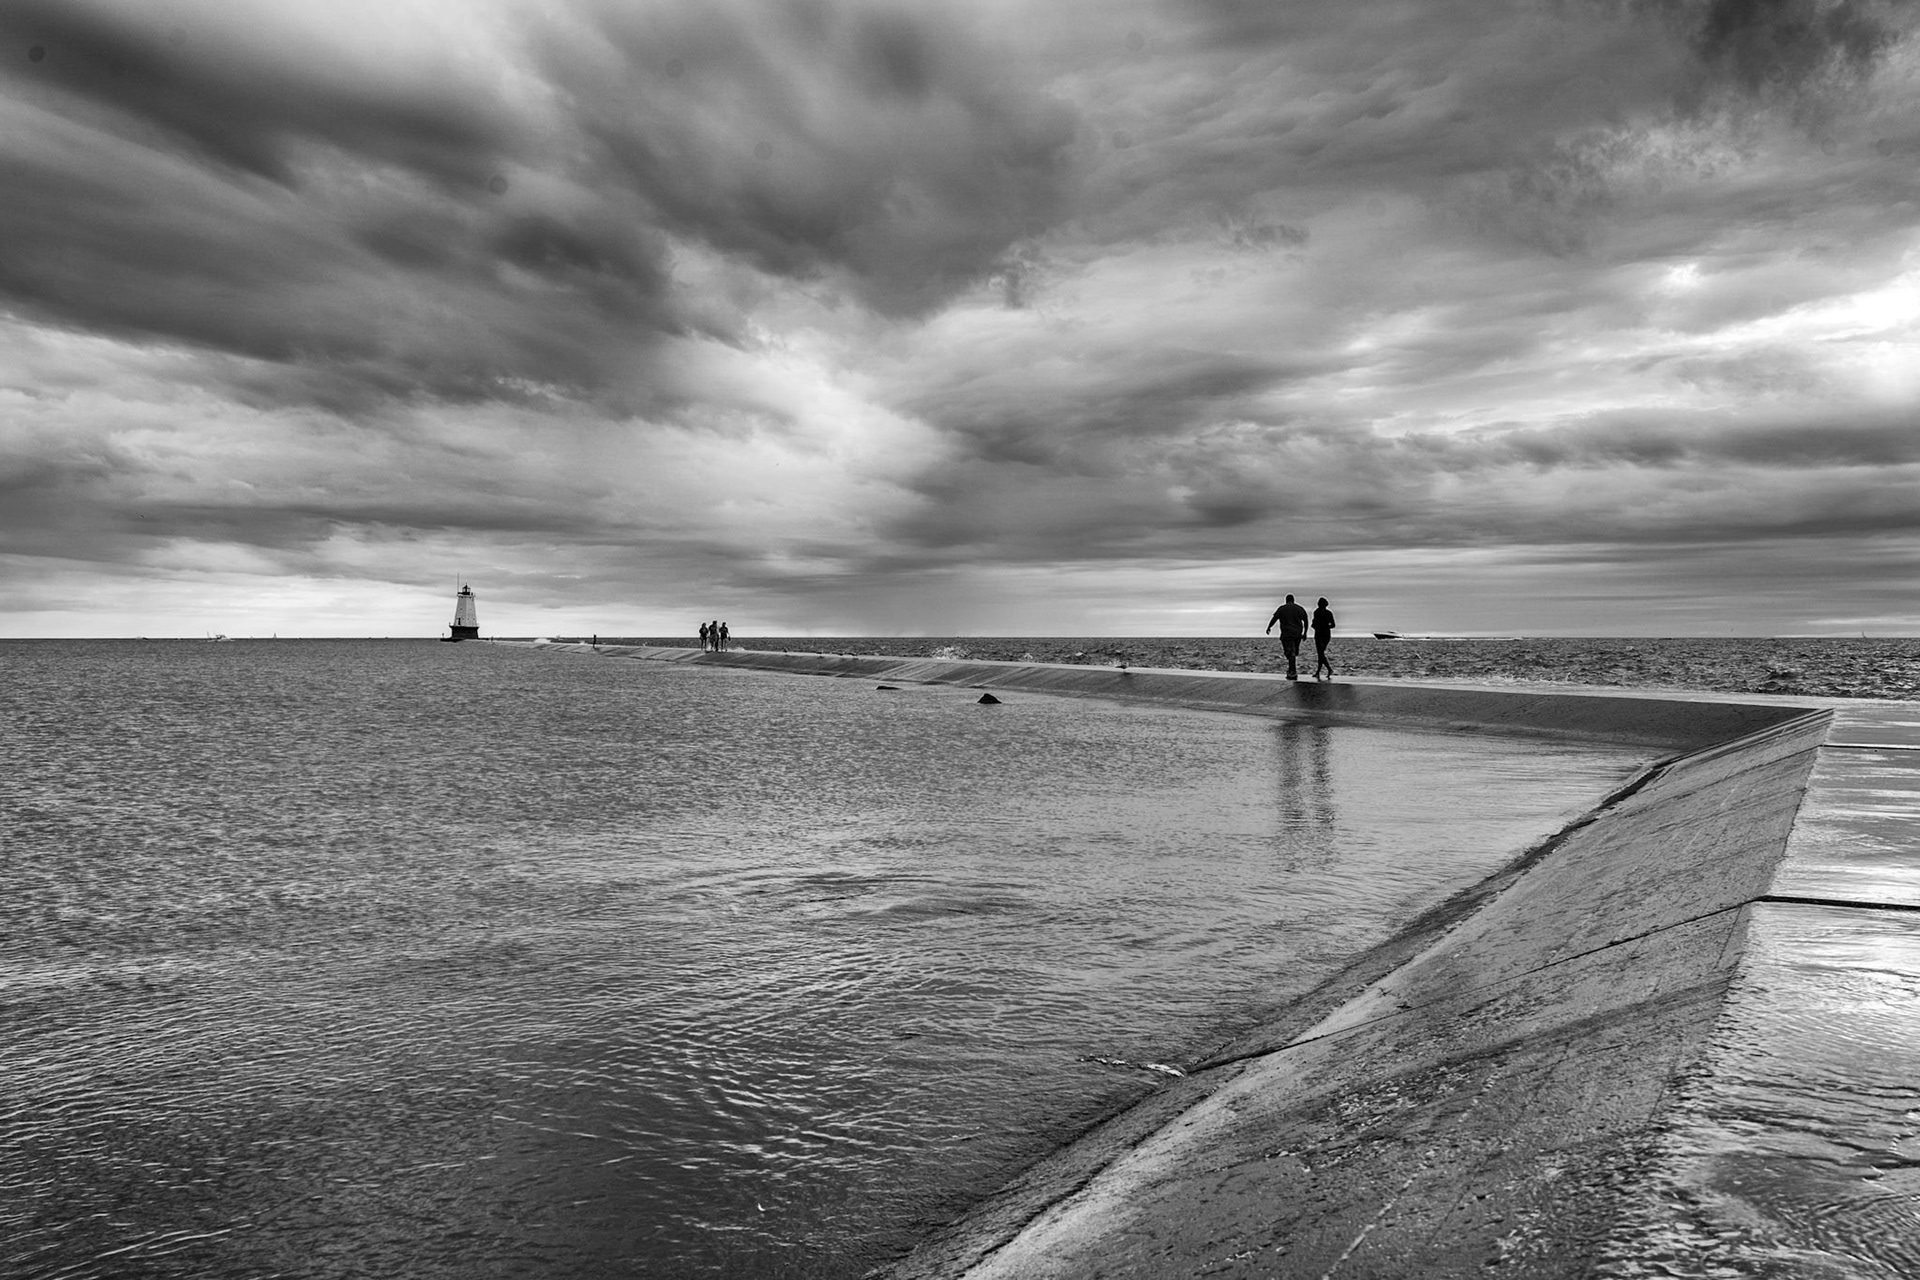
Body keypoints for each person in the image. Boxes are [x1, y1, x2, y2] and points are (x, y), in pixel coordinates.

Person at [1265, 593, 1311, 679]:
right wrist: (1305, 633)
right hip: (1297, 634)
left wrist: (1269, 627)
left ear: (1286, 600)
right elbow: (1306, 620)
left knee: (1290, 653)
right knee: (1293, 653)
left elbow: (1274, 618)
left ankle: (1292, 671)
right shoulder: (1300, 609)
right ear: (1293, 600)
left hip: (1287, 634)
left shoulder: (1282, 609)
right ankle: (1291, 670)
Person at [1310, 597, 1336, 680]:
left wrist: (1319, 627)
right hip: (1326, 634)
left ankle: (1328, 669)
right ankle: (1319, 671)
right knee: (1321, 653)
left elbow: (1314, 624)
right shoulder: (1329, 613)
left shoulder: (1317, 612)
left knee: (1320, 653)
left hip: (1319, 634)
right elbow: (1333, 625)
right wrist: (1326, 626)